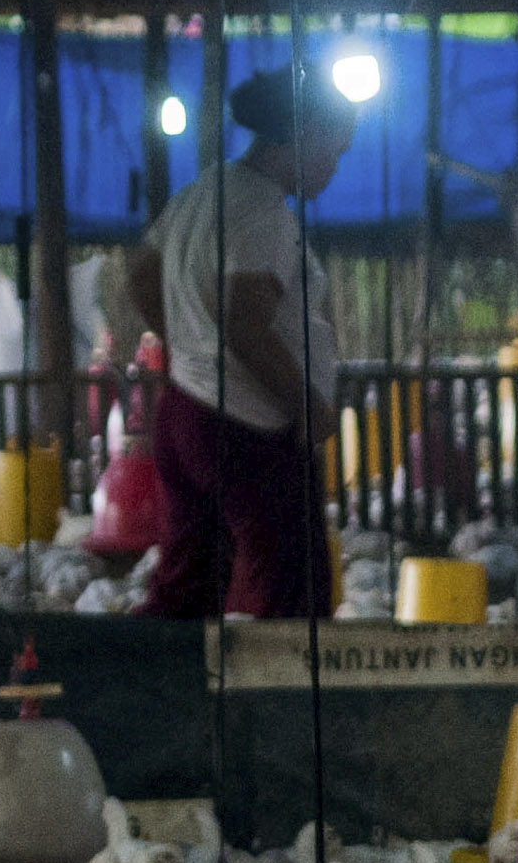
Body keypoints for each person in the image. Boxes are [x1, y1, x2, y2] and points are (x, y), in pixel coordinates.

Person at [126, 67, 356, 618]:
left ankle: (150, 687)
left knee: (189, 580)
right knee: (292, 588)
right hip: (246, 428)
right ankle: (286, 701)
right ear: (299, 138)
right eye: (333, 151)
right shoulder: (262, 213)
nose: (334, 167)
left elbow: (139, 276)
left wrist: (186, 350)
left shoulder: (204, 193)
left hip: (185, 412)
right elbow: (246, 322)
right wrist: (308, 406)